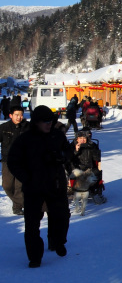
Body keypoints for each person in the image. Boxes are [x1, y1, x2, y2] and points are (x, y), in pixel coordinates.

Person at [7, 106, 73, 267]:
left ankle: (58, 242)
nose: (49, 124)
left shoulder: (57, 136)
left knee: (62, 216)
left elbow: (69, 152)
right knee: (32, 225)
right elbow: (13, 162)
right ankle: (35, 257)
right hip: (33, 188)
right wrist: (26, 178)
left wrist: (62, 157)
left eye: (51, 121)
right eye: (45, 121)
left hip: (55, 185)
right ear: (36, 122)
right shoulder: (25, 139)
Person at [1, 107, 30, 215]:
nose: (19, 117)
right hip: (7, 160)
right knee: (7, 185)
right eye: (16, 115)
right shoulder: (4, 127)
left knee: (19, 186)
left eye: (21, 115)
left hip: (23, 161)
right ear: (11, 115)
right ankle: (19, 202)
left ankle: (17, 207)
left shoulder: (28, 127)